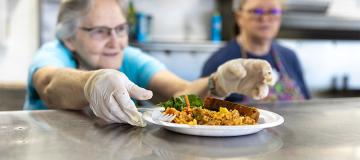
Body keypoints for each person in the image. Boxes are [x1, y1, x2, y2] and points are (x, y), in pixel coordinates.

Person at [25, 0, 275, 127]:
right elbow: (49, 84)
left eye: (121, 29)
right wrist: (91, 82)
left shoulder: (127, 58)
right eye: (100, 31)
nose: (116, 42)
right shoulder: (52, 53)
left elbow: (179, 94)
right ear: (69, 38)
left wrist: (217, 83)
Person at [201, 0, 310, 103]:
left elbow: (306, 104)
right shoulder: (219, 60)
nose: (264, 18)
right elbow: (201, 109)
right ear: (239, 17)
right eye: (256, 12)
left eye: (273, 12)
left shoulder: (289, 56)